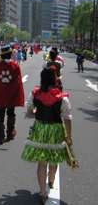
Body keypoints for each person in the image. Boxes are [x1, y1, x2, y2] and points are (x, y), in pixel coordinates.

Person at [21, 67, 73, 204]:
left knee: (41, 160)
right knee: (53, 157)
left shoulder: (34, 95)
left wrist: (40, 111)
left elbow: (30, 113)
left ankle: (43, 193)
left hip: (40, 128)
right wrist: (69, 136)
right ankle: (51, 179)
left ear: (42, 79)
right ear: (55, 79)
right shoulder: (62, 98)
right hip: (56, 129)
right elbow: (67, 119)